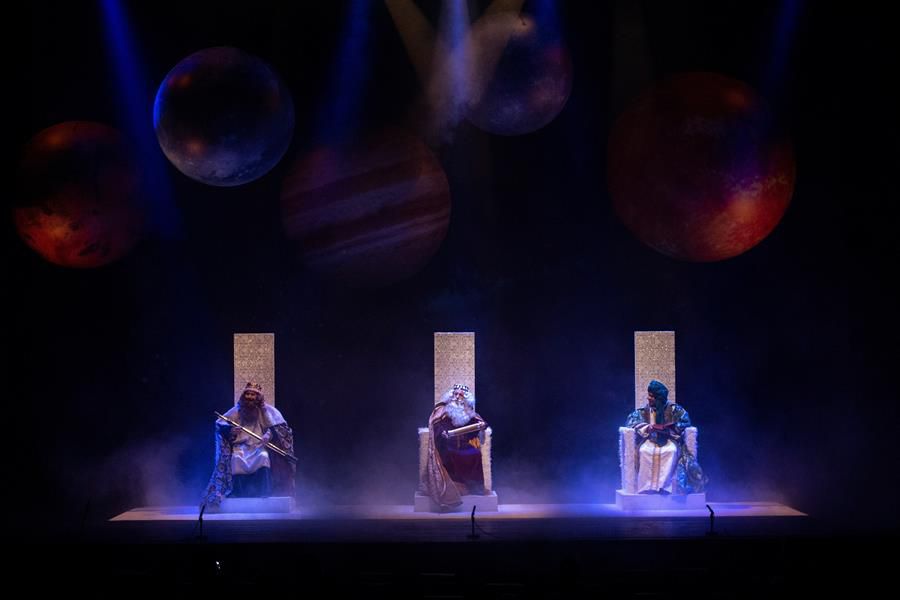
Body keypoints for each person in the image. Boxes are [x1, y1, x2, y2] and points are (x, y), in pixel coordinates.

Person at [202, 382, 295, 508]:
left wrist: (268, 435)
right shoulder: (237, 411)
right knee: (236, 459)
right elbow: (220, 424)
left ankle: (263, 491)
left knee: (263, 457)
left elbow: (274, 427)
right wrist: (231, 430)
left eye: (253, 395)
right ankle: (238, 492)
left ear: (258, 397)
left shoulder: (265, 411)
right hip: (240, 447)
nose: (250, 397)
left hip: (258, 446)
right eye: (248, 394)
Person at [625, 380, 707, 495]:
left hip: (669, 440)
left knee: (671, 451)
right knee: (644, 451)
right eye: (648, 395)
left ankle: (664, 487)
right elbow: (631, 422)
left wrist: (670, 429)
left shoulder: (674, 410)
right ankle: (646, 487)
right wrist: (648, 427)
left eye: (651, 396)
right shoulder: (645, 411)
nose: (648, 398)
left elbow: (685, 422)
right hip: (649, 440)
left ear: (659, 398)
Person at [423, 383, 489, 509]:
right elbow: (436, 425)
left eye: (461, 395)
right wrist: (442, 433)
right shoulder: (443, 410)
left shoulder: (468, 411)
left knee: (475, 454)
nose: (457, 397)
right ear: (451, 395)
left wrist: (481, 426)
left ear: (465, 398)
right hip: (446, 444)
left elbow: (476, 425)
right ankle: (454, 486)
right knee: (449, 455)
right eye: (455, 394)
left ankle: (473, 487)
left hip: (463, 444)